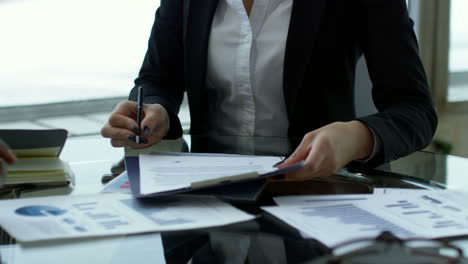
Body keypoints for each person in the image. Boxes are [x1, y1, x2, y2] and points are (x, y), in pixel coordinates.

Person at [101, 0, 438, 180]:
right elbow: (157, 78)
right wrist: (156, 109)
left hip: (316, 195)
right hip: (206, 195)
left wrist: (358, 136)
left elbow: (415, 109)